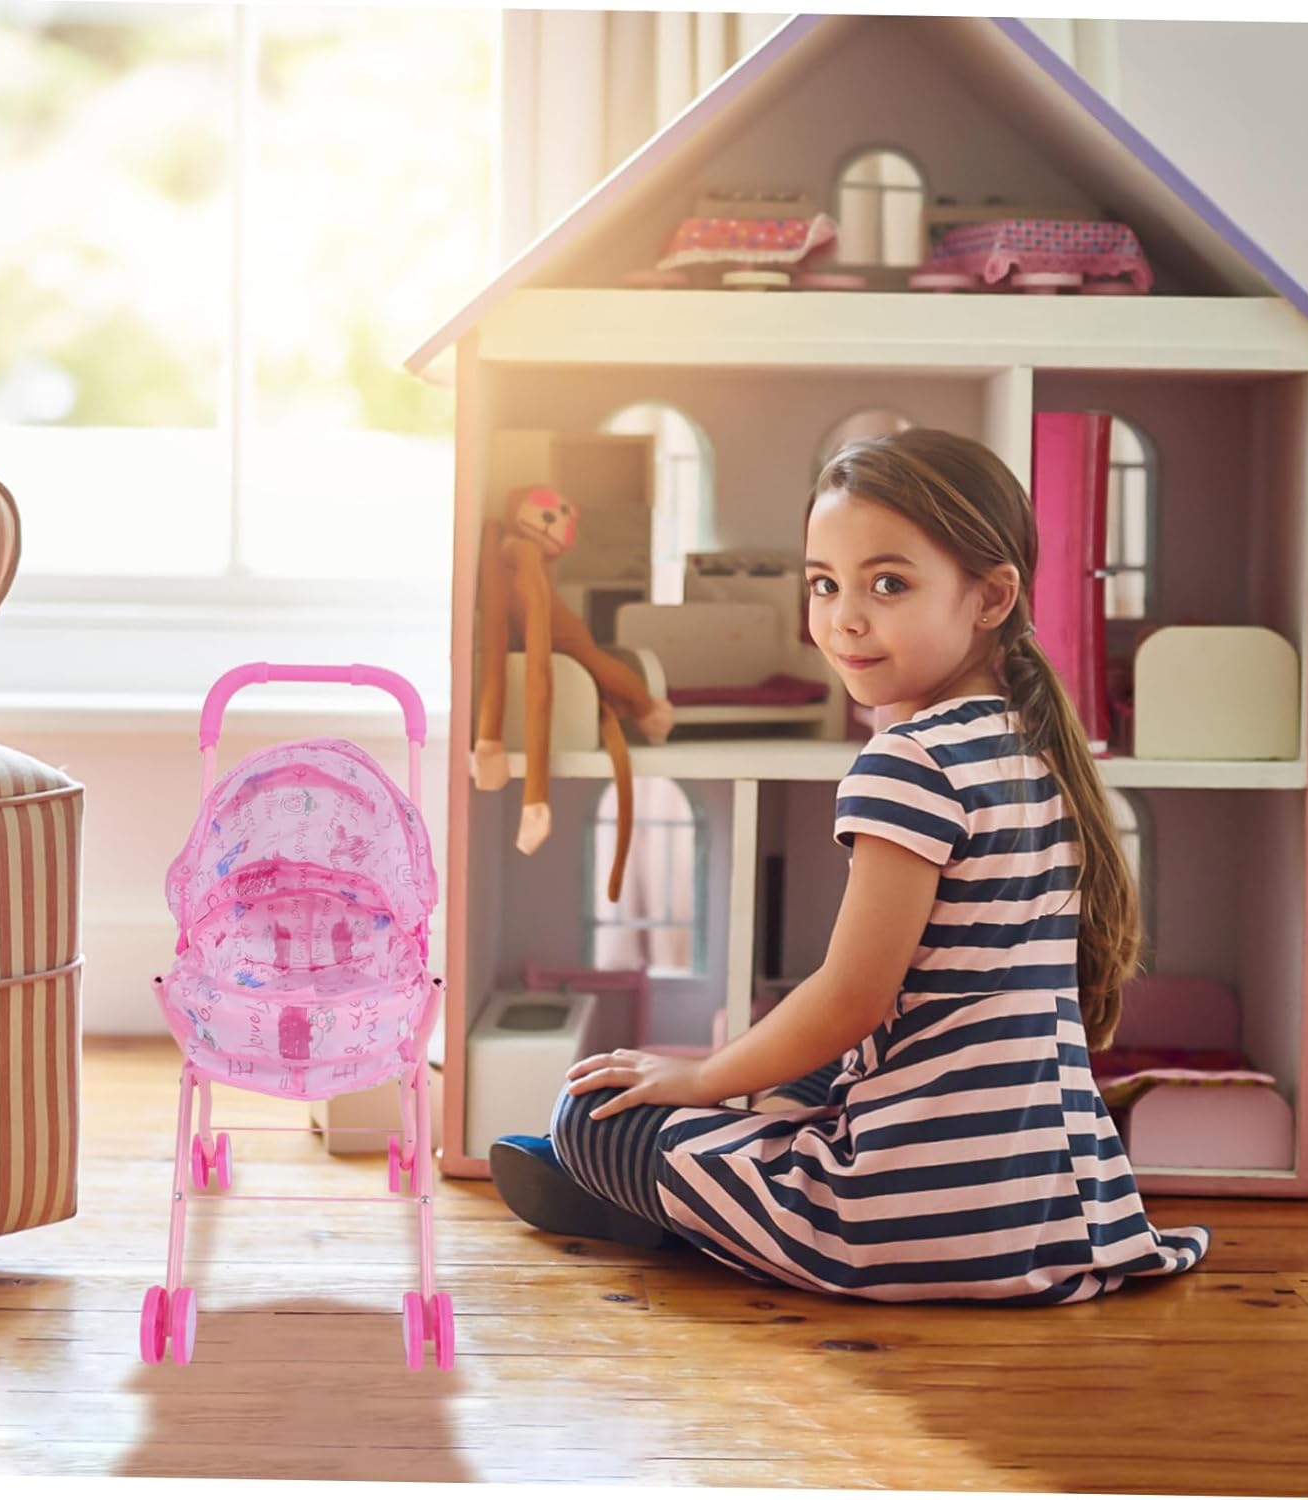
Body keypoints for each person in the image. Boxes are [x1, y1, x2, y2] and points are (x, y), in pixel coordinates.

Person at [489, 427, 1209, 1303]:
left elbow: (850, 998)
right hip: (1062, 1211)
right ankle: (696, 1181)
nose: (845, 619)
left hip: (904, 1220)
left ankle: (655, 1196)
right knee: (805, 1067)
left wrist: (700, 1078)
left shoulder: (909, 760)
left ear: (990, 597)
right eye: (824, 584)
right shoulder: (1036, 744)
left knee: (588, 1118)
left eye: (888, 584)